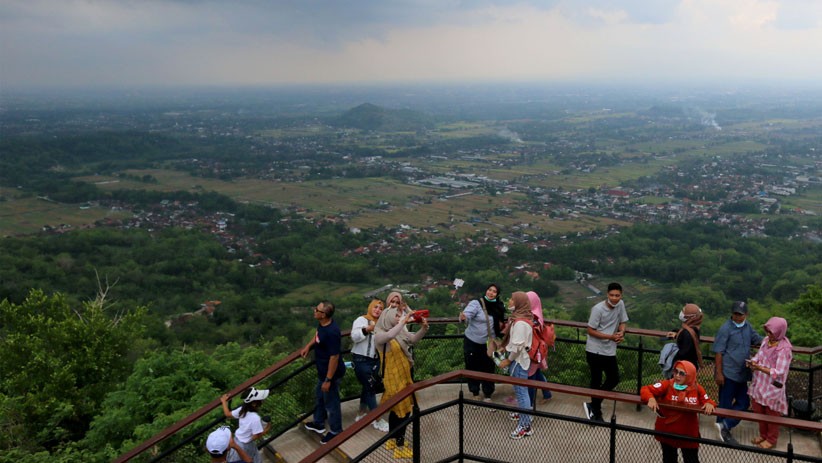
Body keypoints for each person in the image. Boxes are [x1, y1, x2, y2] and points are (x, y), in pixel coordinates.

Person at [374, 303, 429, 458]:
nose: (399, 317)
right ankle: (399, 445)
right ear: (388, 317)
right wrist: (403, 321)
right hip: (392, 379)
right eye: (396, 315)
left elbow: (412, 339)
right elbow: (389, 336)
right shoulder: (379, 335)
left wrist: (424, 328)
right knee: (402, 412)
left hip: (404, 376)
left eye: (399, 315)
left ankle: (392, 439)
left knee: (396, 410)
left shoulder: (399, 331)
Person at [641, 360, 716, 463]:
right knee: (669, 459)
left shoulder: (697, 388)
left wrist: (709, 404)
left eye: (682, 373)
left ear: (690, 375)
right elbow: (646, 389)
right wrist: (650, 398)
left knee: (691, 460)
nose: (677, 376)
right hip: (668, 433)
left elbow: (708, 400)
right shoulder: (667, 384)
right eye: (676, 371)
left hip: (688, 434)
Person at [711, 300, 763, 444]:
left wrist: (772, 341)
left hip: (742, 373)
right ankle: (723, 431)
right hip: (728, 372)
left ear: (746, 314)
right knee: (725, 403)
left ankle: (724, 426)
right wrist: (718, 373)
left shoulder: (747, 327)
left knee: (744, 402)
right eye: (735, 313)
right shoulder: (725, 329)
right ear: (732, 313)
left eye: (740, 314)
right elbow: (718, 352)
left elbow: (757, 339)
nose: (738, 317)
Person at [300, 301, 345, 445]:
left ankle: (336, 431)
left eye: (317, 309)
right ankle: (319, 423)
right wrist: (308, 346)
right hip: (323, 371)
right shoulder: (323, 325)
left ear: (323, 315)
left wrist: (328, 379)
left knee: (331, 403)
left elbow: (335, 357)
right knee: (319, 397)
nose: (314, 311)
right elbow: (317, 335)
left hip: (330, 374)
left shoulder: (332, 332)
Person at [583, 282, 628, 422]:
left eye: (617, 295)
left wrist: (621, 333)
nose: (615, 298)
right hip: (594, 350)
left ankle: (594, 405)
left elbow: (623, 321)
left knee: (614, 378)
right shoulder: (598, 309)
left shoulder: (620, 304)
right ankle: (596, 412)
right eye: (612, 295)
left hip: (609, 350)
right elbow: (590, 330)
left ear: (621, 295)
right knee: (596, 379)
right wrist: (610, 336)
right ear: (607, 295)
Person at [748, 316, 793, 450]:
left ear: (780, 331)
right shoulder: (766, 341)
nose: (768, 334)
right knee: (759, 410)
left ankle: (771, 439)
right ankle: (763, 435)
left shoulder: (784, 349)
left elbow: (779, 371)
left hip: (773, 386)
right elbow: (759, 355)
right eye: (767, 331)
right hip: (760, 382)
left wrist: (759, 368)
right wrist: (754, 361)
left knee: (772, 414)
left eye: (771, 332)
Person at [459, 283, 503, 407]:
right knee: (472, 366)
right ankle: (475, 392)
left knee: (488, 367)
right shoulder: (476, 303)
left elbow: (501, 321)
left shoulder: (499, 306)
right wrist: (463, 317)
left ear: (497, 294)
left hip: (489, 344)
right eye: (489, 290)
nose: (491, 293)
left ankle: (488, 393)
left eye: (494, 291)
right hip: (473, 342)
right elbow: (467, 315)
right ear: (486, 290)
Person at [498, 291, 534, 440]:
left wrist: (508, 360)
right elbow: (515, 342)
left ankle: (525, 427)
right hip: (521, 361)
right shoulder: (520, 319)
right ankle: (524, 414)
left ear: (518, 303)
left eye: (512, 299)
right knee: (521, 391)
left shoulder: (520, 323)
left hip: (519, 362)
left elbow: (518, 346)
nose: (510, 301)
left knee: (521, 392)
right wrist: (505, 348)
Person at [351, 298, 389, 432]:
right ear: (370, 307)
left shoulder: (382, 324)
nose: (377, 310)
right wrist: (367, 329)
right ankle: (377, 419)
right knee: (371, 387)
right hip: (361, 360)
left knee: (367, 387)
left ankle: (361, 413)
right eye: (375, 307)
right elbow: (354, 336)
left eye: (380, 308)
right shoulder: (361, 320)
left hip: (375, 361)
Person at [220, 388, 271, 463]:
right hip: (246, 445)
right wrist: (267, 429)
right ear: (254, 404)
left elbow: (227, 414)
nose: (262, 401)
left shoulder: (242, 410)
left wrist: (223, 401)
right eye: (260, 400)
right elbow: (256, 436)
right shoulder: (255, 418)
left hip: (237, 441)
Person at [526, 290, 552, 404]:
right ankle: (547, 394)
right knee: (536, 373)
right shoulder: (537, 312)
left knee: (530, 377)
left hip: (533, 351)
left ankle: (530, 403)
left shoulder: (533, 316)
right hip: (537, 351)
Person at [667, 303, 703, 369]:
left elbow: (684, 352)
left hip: (685, 367)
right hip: (690, 364)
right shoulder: (694, 327)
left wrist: (671, 355)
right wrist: (677, 333)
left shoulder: (688, 333)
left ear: (690, 317)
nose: (682, 313)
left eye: (683, 312)